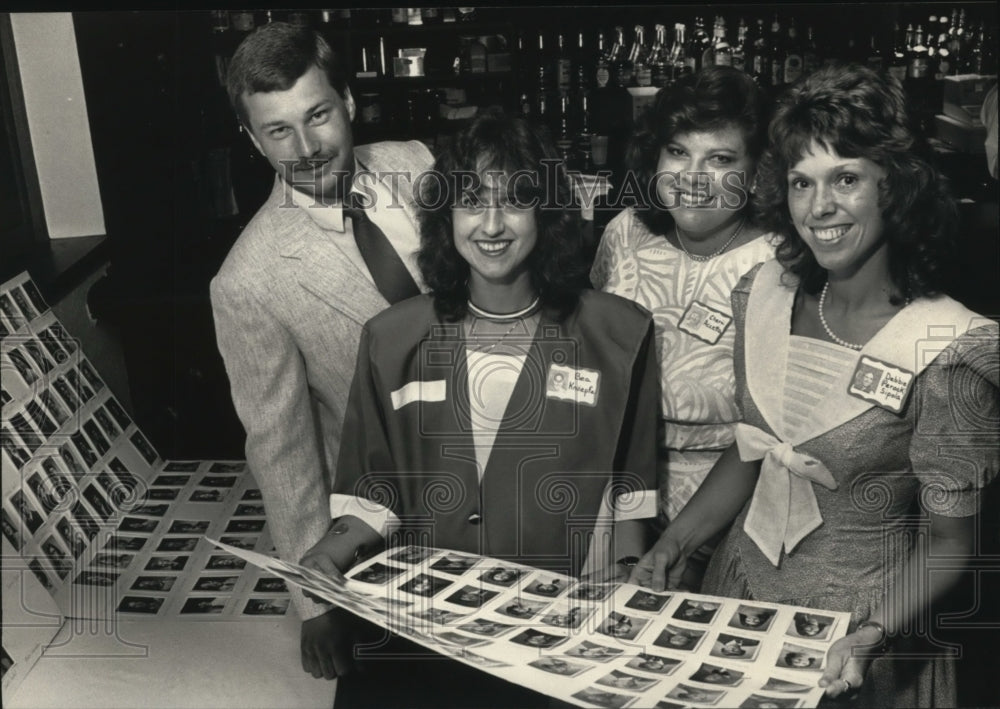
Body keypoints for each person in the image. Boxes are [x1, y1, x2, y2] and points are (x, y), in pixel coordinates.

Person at [630, 64, 999, 707]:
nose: (819, 207)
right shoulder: (765, 294)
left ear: (896, 186)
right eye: (802, 182)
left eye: (846, 179)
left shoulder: (948, 349)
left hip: (860, 626)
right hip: (737, 593)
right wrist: (674, 543)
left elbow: (951, 544)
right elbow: (752, 449)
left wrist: (872, 634)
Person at [299, 110, 660, 708]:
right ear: (446, 216)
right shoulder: (392, 339)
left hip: (554, 632)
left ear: (546, 212)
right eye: (472, 200)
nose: (492, 224)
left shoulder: (618, 334)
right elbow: (374, 492)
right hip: (425, 627)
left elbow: (632, 490)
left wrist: (627, 577)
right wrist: (327, 553)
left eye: (515, 200)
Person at [209, 22, 433, 680]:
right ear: (252, 140)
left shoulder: (419, 163)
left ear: (350, 102)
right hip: (398, 527)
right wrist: (316, 604)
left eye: (318, 115)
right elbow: (282, 451)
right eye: (278, 130)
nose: (306, 149)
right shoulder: (247, 281)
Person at [590, 66, 776, 590]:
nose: (692, 178)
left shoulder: (782, 261)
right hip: (611, 493)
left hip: (728, 511)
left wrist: (678, 546)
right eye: (677, 152)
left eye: (720, 159)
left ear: (758, 170)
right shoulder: (625, 233)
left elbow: (772, 432)